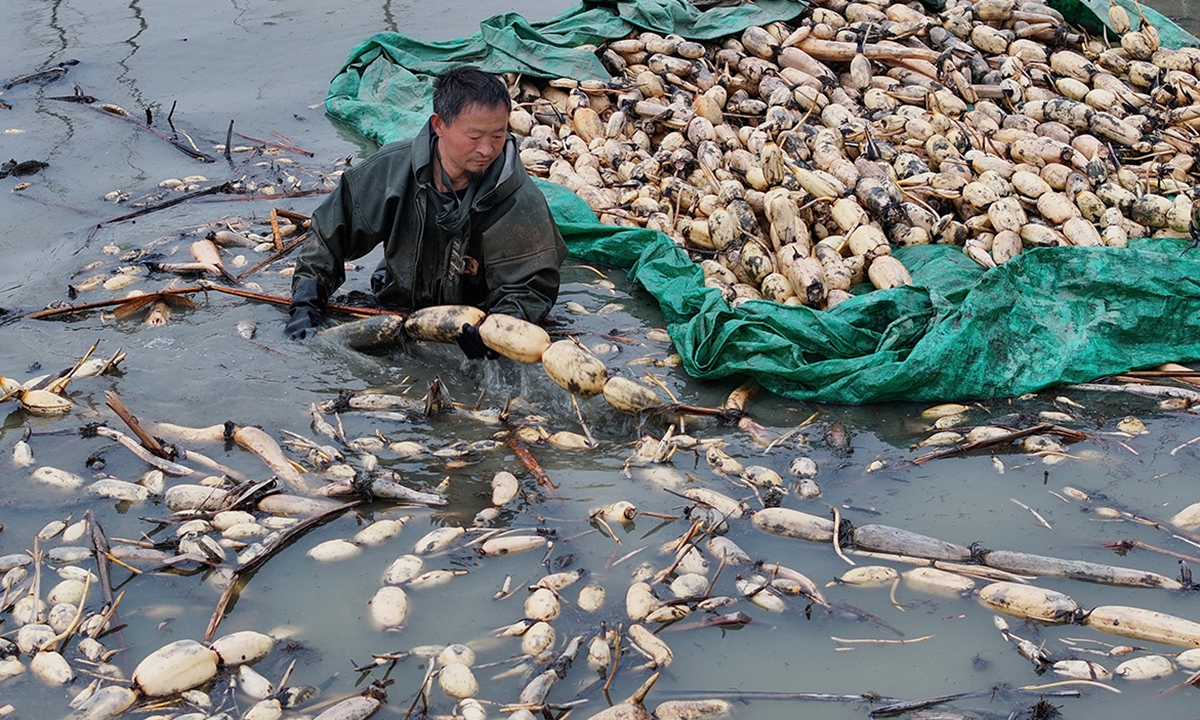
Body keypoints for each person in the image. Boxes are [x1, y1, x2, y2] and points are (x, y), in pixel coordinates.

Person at [285, 66, 568, 357]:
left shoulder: (520, 198)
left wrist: (499, 331)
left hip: (474, 327)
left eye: (497, 136)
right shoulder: (392, 170)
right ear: (439, 125)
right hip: (398, 310)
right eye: (474, 137)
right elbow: (329, 235)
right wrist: (306, 304)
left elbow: (531, 287)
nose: (486, 149)